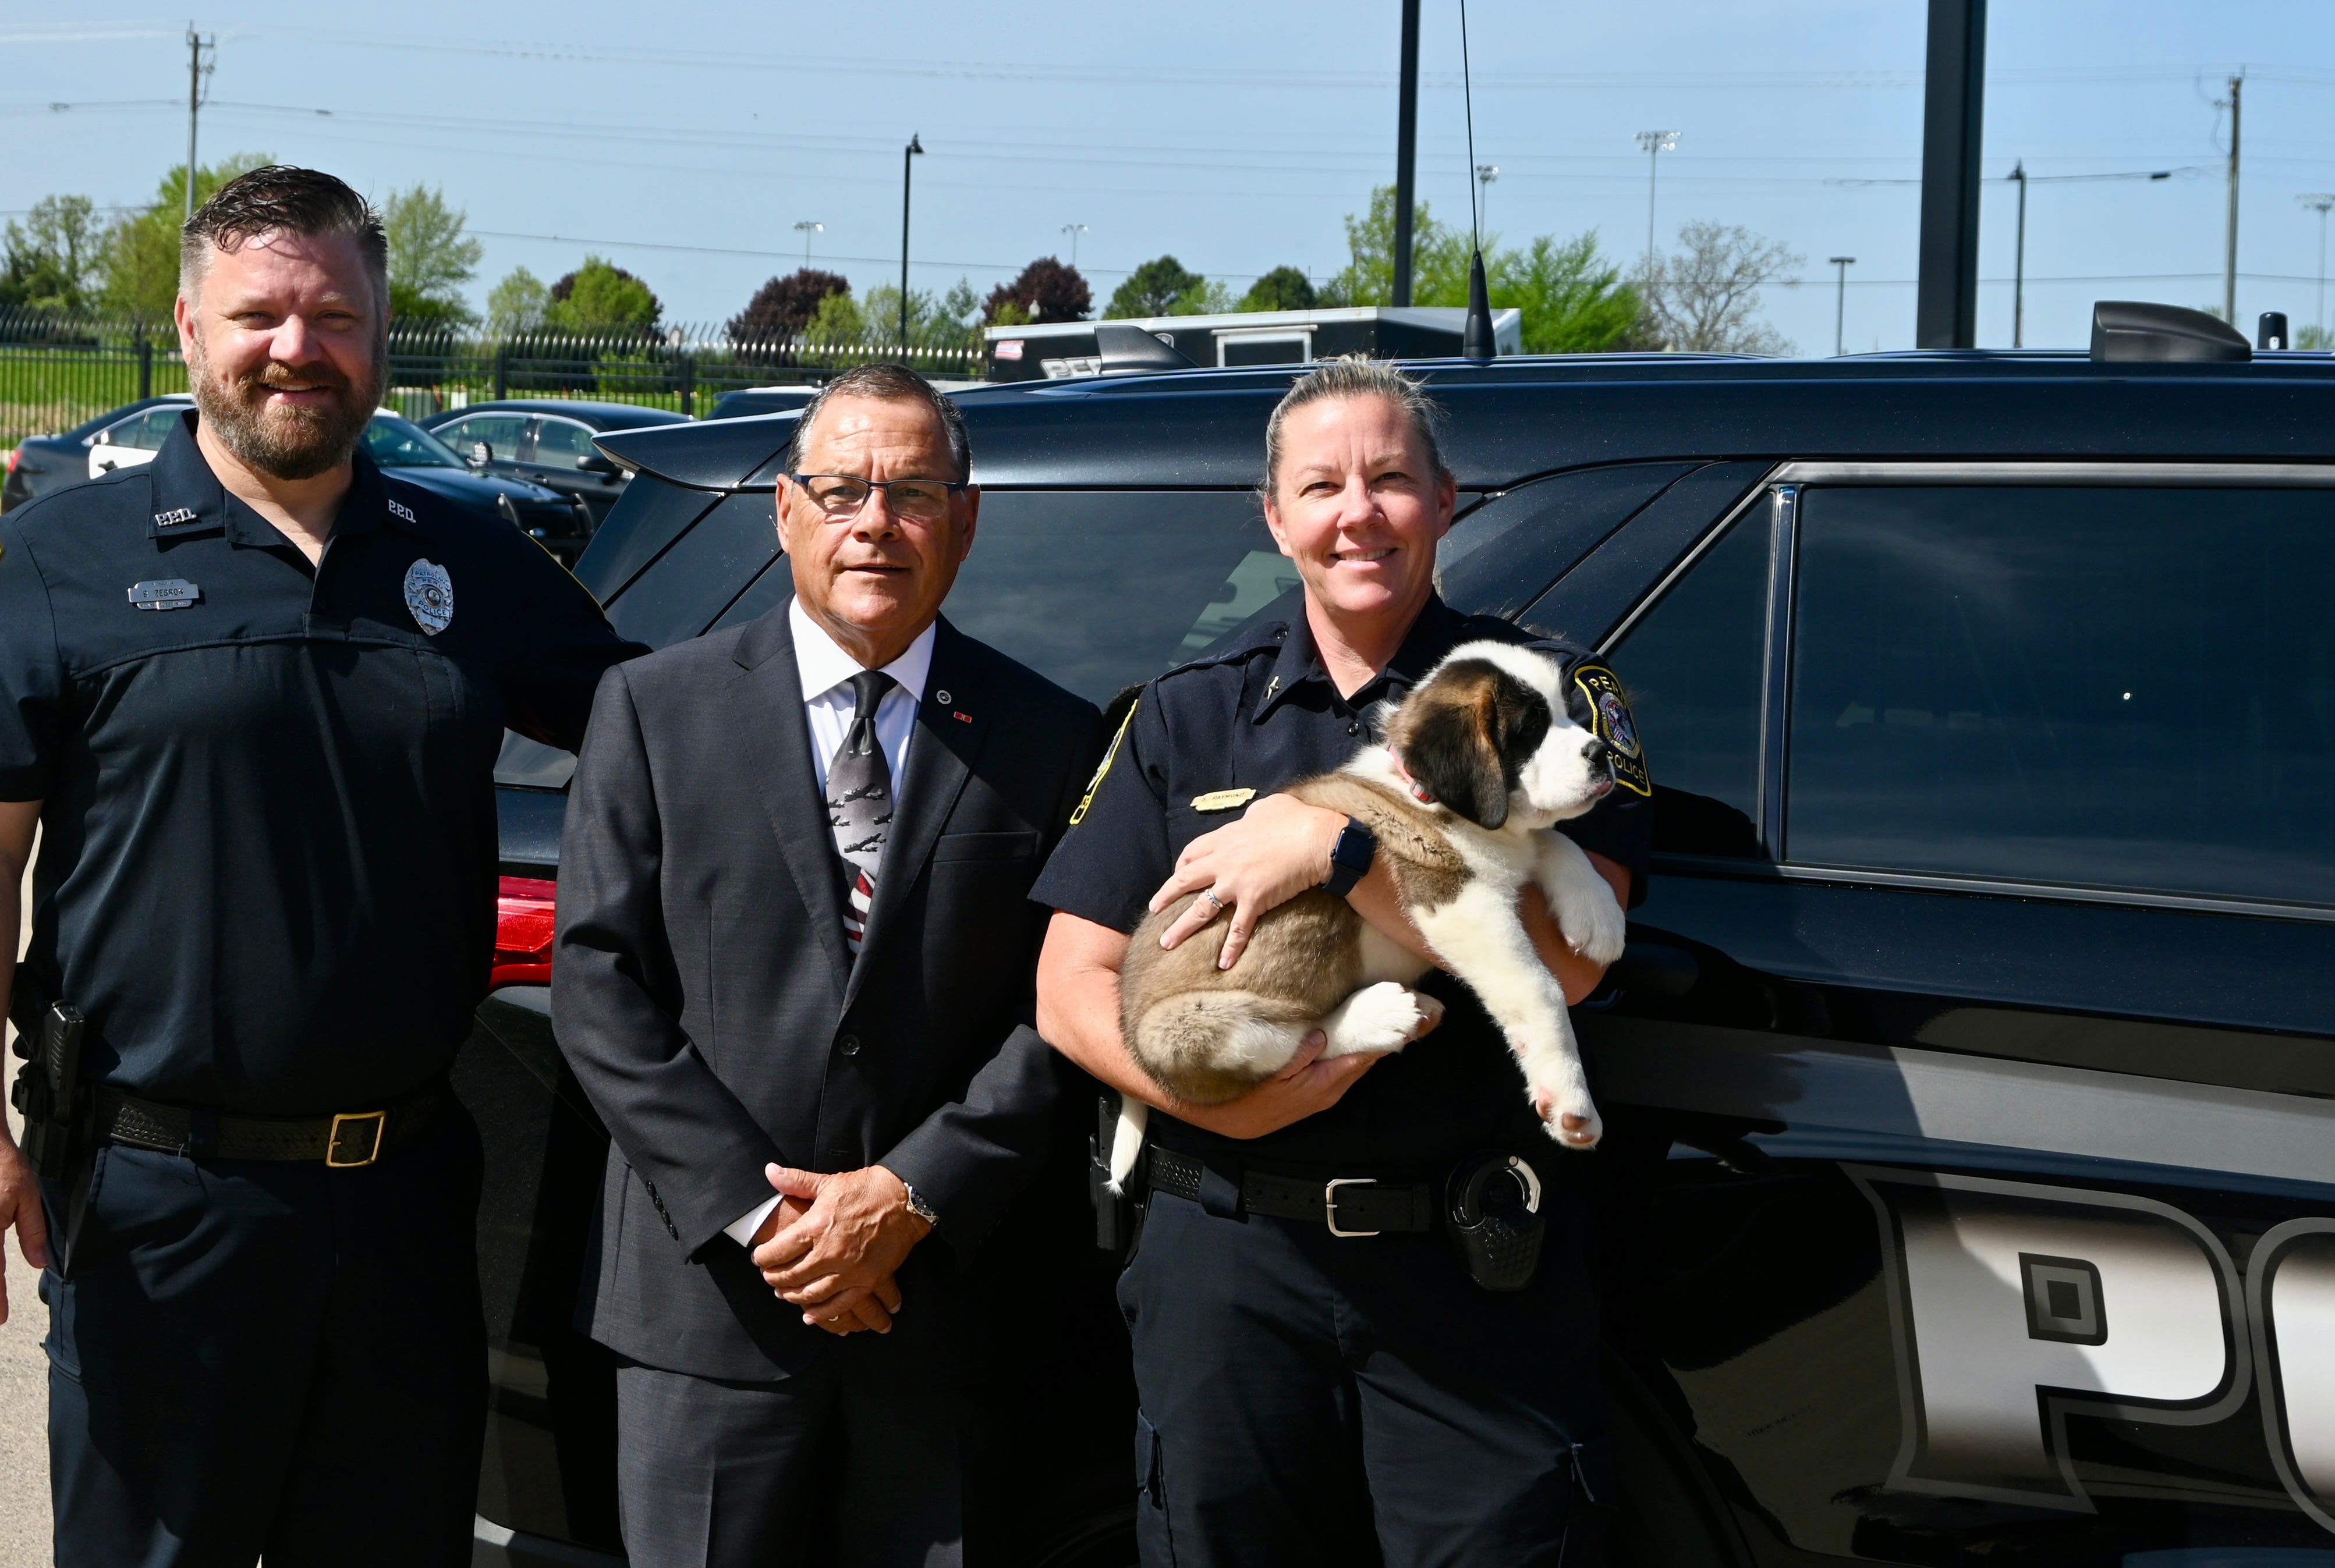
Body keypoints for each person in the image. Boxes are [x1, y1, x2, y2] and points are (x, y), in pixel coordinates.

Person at [0, 165, 640, 1567]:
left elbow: (667, 725)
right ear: (189, 326)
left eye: (334, 315)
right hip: (158, 1196)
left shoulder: (468, 560)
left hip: (406, 1190)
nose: (296, 347)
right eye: (260, 314)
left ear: (380, 336)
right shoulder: (58, 560)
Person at [1033, 357, 1653, 1567]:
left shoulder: (1544, 696)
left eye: (1388, 479)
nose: (1355, 511)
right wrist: (1215, 1094)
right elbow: (1066, 983)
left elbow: (1568, 970)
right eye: (1320, 485)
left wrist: (1340, 849)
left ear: (1446, 498)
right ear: (1275, 518)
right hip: (1224, 1259)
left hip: (1466, 1267)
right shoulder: (1186, 713)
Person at [552, 364, 1104, 1568]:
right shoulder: (652, 709)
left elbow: (1066, 1008)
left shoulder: (1050, 737)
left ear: (964, 520)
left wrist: (907, 1195)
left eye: (911, 492)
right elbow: (598, 985)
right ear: (786, 510)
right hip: (708, 1313)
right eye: (843, 487)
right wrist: (765, 1217)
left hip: (941, 1307)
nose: (875, 521)